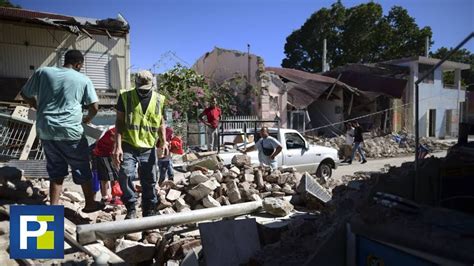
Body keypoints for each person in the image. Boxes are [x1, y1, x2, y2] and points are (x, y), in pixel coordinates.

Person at [20, 49, 103, 213]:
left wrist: (38, 107)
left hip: (46, 129)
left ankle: (53, 207)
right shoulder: (83, 79)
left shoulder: (43, 72)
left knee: (56, 169)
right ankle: (90, 204)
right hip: (70, 131)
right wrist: (87, 118)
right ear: (79, 64)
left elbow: (25, 93)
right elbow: (94, 107)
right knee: (82, 167)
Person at [113, 70, 167, 219]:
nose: (143, 92)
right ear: (135, 84)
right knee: (125, 174)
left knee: (149, 179)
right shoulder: (125, 97)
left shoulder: (159, 99)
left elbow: (161, 122)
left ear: (152, 85)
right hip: (129, 144)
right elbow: (119, 122)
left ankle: (149, 208)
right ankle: (131, 206)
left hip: (148, 146)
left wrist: (164, 140)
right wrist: (117, 146)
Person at [91, 127, 123, 205]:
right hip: (105, 154)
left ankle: (106, 197)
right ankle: (113, 197)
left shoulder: (113, 130)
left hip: (100, 153)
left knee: (105, 177)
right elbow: (114, 148)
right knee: (112, 176)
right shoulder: (116, 132)